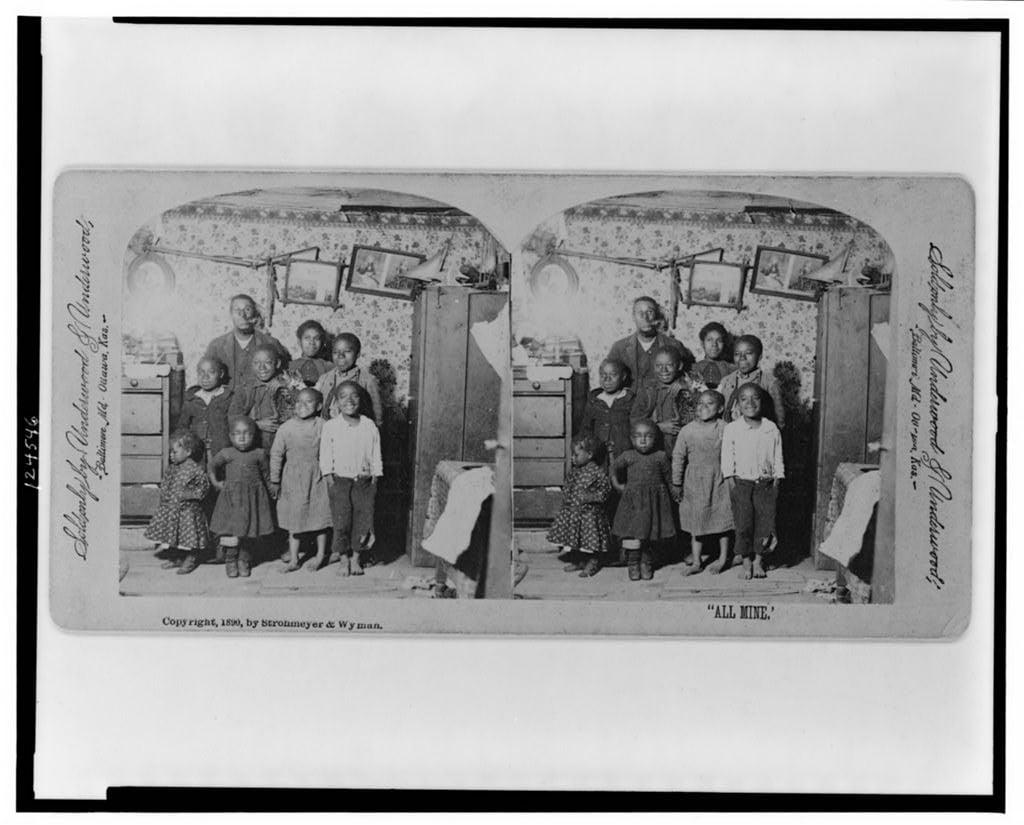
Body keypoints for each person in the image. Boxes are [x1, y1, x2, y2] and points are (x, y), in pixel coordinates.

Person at [721, 383, 785, 580]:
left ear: (762, 401)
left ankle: (759, 560)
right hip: (741, 483)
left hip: (765, 483)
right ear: (737, 405)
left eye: (755, 398)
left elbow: (777, 456)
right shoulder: (732, 428)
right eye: (743, 399)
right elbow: (726, 456)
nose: (750, 402)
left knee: (764, 524)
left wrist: (777, 478)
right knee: (743, 523)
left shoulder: (770, 428)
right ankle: (746, 561)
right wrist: (730, 479)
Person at [319, 381, 383, 576]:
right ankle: (343, 559)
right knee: (342, 522)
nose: (349, 400)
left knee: (361, 521)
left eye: (354, 395)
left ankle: (356, 558)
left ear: (361, 399)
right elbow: (325, 455)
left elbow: (375, 454)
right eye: (343, 396)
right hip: (340, 481)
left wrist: (375, 477)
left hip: (363, 481)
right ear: (336, 402)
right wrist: (329, 478)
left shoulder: (369, 425)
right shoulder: (331, 426)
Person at [269, 388, 333, 573]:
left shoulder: (323, 425)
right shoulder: (286, 428)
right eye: (298, 402)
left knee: (321, 518)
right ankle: (294, 559)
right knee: (294, 520)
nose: (302, 406)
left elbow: (332, 450)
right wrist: (275, 480)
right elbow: (276, 455)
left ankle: (320, 556)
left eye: (308, 402)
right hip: (293, 479)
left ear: (319, 406)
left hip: (318, 477)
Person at [672, 390, 734, 576]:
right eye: (700, 404)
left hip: (721, 479)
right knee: (696, 523)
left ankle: (723, 559)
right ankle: (697, 562)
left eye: (709, 404)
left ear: (720, 408)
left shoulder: (726, 428)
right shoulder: (687, 430)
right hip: (695, 482)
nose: (703, 407)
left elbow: (735, 452)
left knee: (723, 521)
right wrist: (676, 483)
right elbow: (678, 457)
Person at [208, 416, 277, 579]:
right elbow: (211, 466)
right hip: (232, 499)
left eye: (247, 433)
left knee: (250, 531)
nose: (242, 437)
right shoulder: (226, 453)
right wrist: (216, 483)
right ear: (231, 436)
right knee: (231, 531)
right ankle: (230, 560)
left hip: (253, 498)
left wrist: (272, 488)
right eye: (237, 433)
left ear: (254, 436)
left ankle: (244, 560)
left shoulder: (259, 454)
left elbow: (267, 474)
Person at [610, 419, 676, 581]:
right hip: (633, 503)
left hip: (655, 502)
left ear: (655, 439)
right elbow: (613, 468)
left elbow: (669, 477)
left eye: (649, 436)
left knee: (650, 534)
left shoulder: (660, 457)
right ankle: (633, 564)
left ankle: (646, 563)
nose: (643, 440)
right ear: (632, 439)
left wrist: (675, 490)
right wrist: (617, 485)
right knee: (633, 534)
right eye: (638, 436)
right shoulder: (628, 456)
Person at [144, 430, 211, 575]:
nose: (171, 455)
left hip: (187, 511)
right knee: (175, 535)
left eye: (174, 452)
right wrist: (165, 495)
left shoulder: (196, 469)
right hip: (172, 508)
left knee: (189, 537)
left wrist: (192, 494)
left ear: (187, 451)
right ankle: (178, 558)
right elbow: (166, 483)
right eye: (170, 452)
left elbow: (204, 487)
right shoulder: (173, 468)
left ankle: (192, 558)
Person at [546, 433, 613, 578]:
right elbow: (568, 485)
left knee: (590, 541)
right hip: (573, 511)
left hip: (589, 514)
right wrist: (567, 497)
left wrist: (591, 497)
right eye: (572, 455)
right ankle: (579, 561)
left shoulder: (598, 472)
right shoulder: (575, 470)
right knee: (577, 539)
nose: (572, 458)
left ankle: (593, 563)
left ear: (589, 454)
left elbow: (606, 491)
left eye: (576, 455)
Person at [606, 296, 695, 389]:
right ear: (633, 317)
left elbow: (689, 377)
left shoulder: (674, 345)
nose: (645, 317)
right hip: (629, 402)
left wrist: (681, 385)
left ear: (656, 316)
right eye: (640, 313)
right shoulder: (619, 348)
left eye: (650, 312)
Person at [204, 294, 289, 390]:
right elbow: (204, 374)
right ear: (231, 314)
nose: (242, 315)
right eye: (237, 310)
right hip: (225, 402)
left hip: (260, 402)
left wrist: (280, 380)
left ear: (254, 313)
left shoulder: (270, 343)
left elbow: (287, 373)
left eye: (247, 309)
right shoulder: (216, 346)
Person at [228, 344, 300, 454]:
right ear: (251, 364)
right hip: (254, 448)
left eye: (267, 362)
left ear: (277, 364)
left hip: (285, 446)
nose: (262, 367)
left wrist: (287, 386)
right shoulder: (244, 389)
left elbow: (301, 406)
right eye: (257, 363)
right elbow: (233, 418)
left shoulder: (285, 383)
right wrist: (256, 424)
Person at [629, 347, 700, 455]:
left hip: (684, 447)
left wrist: (688, 389)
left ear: (679, 366)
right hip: (655, 447)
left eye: (669, 365)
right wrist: (658, 426)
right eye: (659, 366)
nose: (664, 370)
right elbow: (635, 420)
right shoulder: (648, 389)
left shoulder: (687, 385)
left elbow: (701, 412)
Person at [315, 333, 384, 429]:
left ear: (357, 354)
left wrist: (376, 430)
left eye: (347, 351)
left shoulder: (367, 380)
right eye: (335, 352)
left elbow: (377, 412)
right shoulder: (324, 378)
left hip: (355, 431)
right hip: (328, 430)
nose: (340, 356)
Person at [717, 334, 786, 428]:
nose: (742, 357)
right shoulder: (726, 381)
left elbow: (779, 415)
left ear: (759, 356)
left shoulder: (769, 382)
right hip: (729, 433)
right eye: (737, 354)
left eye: (748, 353)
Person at [579, 358, 636, 469]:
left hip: (624, 453)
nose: (606, 379)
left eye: (613, 375)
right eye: (603, 375)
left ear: (623, 377)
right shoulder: (594, 400)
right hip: (599, 456)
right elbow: (586, 428)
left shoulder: (630, 399)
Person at [177, 357, 234, 466]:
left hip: (221, 450)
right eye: (201, 372)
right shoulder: (191, 399)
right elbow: (182, 427)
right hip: (197, 452)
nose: (205, 377)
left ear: (221, 374)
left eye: (211, 372)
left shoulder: (228, 398)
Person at [692, 322, 736, 390]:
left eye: (719, 340)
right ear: (702, 343)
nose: (714, 344)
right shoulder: (694, 368)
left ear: (724, 344)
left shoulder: (731, 369)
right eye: (709, 340)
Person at [290, 320, 333, 387]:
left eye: (316, 338)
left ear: (322, 342)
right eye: (307, 338)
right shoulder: (290, 366)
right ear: (299, 341)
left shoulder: (329, 367)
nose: (312, 342)